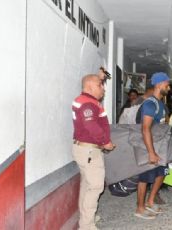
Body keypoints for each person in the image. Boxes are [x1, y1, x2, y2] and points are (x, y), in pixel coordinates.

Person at [72, 74, 115, 230]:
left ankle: (86, 218)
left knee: (87, 185)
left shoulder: (87, 101)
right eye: (99, 85)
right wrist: (106, 142)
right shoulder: (87, 104)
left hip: (85, 150)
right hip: (89, 150)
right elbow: (91, 126)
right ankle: (87, 225)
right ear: (89, 86)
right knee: (96, 186)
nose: (103, 88)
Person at [135, 72, 171, 219]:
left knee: (162, 173)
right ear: (159, 84)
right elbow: (145, 129)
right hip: (147, 145)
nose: (168, 87)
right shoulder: (150, 104)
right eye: (167, 84)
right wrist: (151, 152)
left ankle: (150, 202)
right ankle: (140, 208)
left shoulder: (161, 103)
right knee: (145, 177)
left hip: (159, 145)